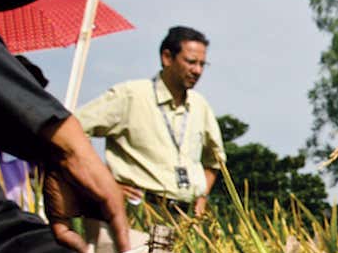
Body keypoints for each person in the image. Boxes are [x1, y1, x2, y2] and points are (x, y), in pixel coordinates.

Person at [76, 26, 227, 217]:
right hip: (133, 212)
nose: (197, 70)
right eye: (190, 62)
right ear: (167, 57)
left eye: (202, 64)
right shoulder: (131, 95)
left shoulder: (200, 106)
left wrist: (201, 196)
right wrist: (102, 181)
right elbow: (72, 130)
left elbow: (214, 161)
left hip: (182, 219)